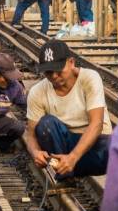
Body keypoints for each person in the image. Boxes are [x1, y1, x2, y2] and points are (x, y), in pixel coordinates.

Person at [24, 39, 112, 180]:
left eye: (58, 70)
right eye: (48, 72)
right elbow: (31, 135)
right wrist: (35, 153)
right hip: (62, 149)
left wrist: (73, 157)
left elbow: (96, 124)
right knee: (46, 124)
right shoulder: (37, 92)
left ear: (71, 62)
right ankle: (65, 175)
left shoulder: (89, 78)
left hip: (94, 148)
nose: (54, 76)